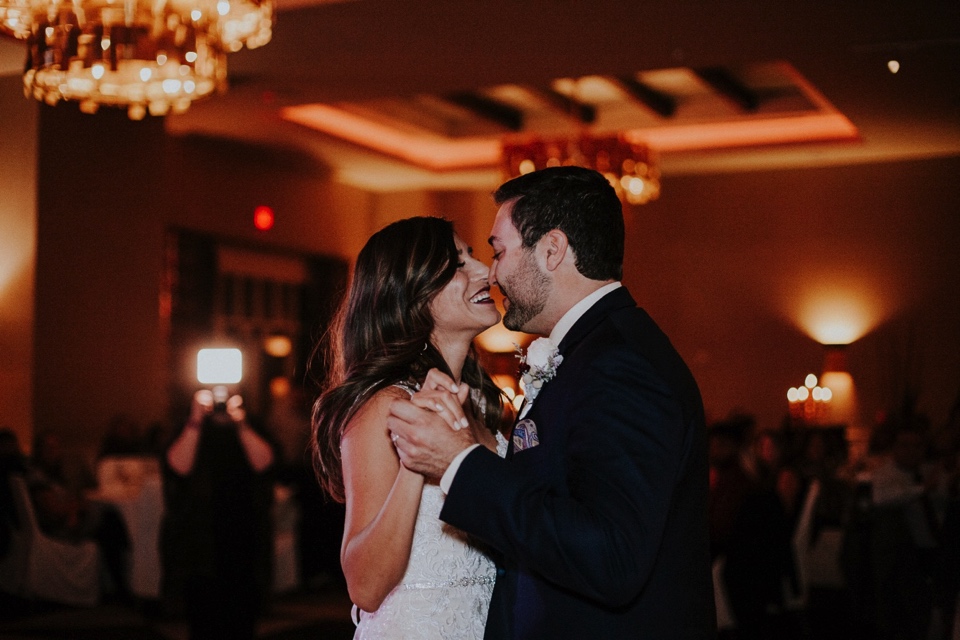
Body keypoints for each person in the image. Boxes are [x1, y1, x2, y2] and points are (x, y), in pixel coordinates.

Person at [388, 167, 715, 639]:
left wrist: (459, 462)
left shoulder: (620, 364)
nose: (492, 272)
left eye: (499, 251)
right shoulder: (597, 351)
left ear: (552, 250)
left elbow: (611, 555)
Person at [310, 217, 507, 639]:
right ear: (412, 295)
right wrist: (416, 461)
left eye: (473, 255)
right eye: (458, 264)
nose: (484, 271)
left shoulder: (478, 407)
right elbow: (365, 586)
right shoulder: (387, 406)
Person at [160, 390, 276, 640]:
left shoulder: (249, 422)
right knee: (202, 619)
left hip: (244, 538)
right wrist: (195, 420)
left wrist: (241, 424)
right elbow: (178, 467)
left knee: (243, 619)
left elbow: (265, 462)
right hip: (199, 544)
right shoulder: (187, 424)